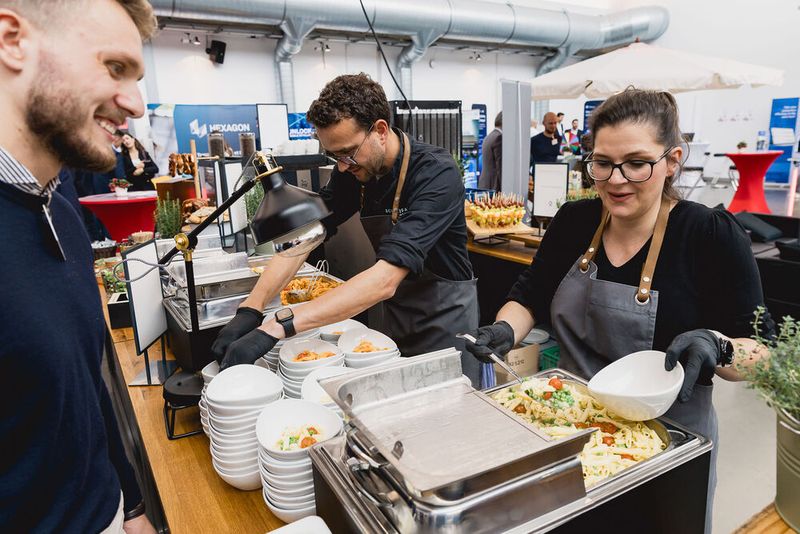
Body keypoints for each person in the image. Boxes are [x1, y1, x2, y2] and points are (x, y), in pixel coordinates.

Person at [465, 89, 773, 534]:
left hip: (668, 442)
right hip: (568, 427)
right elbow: (529, 296)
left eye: (636, 162)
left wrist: (719, 347)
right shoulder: (574, 221)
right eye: (602, 162)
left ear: (672, 160)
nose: (615, 179)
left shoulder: (709, 235)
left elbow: (760, 353)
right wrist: (503, 330)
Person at [211, 73, 484, 386]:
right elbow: (306, 237)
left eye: (348, 153)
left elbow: (384, 280)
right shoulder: (354, 172)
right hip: (394, 324)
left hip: (446, 326)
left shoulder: (436, 173)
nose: (341, 166)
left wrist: (278, 325)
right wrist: (251, 308)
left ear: (380, 130)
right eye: (333, 155)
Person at [0, 1, 158, 533]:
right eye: (114, 68)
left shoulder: (60, 213)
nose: (134, 104)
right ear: (11, 40)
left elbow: (85, 389)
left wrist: (130, 504)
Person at [478, 112, 502, 191]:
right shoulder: (499, 137)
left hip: (485, 183)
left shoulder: (489, 136)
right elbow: (500, 166)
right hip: (494, 185)